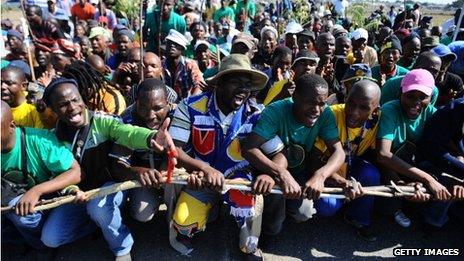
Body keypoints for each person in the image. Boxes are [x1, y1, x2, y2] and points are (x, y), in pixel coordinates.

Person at [39, 78, 176, 260]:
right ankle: (97, 223)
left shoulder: (102, 122)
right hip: (76, 196)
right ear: (53, 109)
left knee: (99, 208)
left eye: (75, 100)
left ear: (83, 98)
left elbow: (128, 133)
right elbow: (57, 175)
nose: (72, 107)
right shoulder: (52, 139)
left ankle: (122, 247)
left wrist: (150, 138)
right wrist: (71, 190)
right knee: (50, 239)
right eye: (63, 104)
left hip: (107, 187)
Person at [168, 54, 268, 259]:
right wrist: (202, 169)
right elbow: (174, 149)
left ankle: (243, 230)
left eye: (247, 84)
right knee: (184, 224)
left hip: (239, 181)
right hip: (201, 179)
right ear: (219, 83)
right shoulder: (189, 107)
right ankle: (210, 210)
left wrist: (271, 175)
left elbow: (278, 153)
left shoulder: (258, 113)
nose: (243, 89)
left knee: (249, 238)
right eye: (235, 82)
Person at [242, 73, 345, 239]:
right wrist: (280, 173)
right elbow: (249, 148)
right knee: (274, 210)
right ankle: (269, 231)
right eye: (311, 103)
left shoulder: (325, 114)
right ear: (295, 96)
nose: (317, 110)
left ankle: (284, 210)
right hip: (270, 172)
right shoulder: (275, 111)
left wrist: (320, 175)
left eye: (322, 104)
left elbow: (339, 152)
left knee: (303, 213)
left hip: (298, 173)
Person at [1, 100, 81, 251]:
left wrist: (36, 190)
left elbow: (75, 172)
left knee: (23, 216)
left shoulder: (39, 141)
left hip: (47, 198)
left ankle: (41, 245)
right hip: (9, 195)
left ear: (12, 126)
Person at [376, 69, 449, 228]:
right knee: (385, 207)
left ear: (431, 97)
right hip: (388, 168)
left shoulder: (433, 114)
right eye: (410, 96)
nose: (416, 102)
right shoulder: (390, 110)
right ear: (400, 93)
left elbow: (443, 149)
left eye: (423, 97)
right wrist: (424, 179)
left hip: (414, 165)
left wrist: (426, 180)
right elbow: (382, 155)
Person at [311, 80, 382, 241]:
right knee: (327, 207)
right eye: (351, 103)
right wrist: (342, 182)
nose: (354, 112)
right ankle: (346, 200)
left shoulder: (378, 120)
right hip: (327, 168)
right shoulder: (330, 115)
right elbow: (313, 161)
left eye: (363, 108)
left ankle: (358, 217)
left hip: (351, 164)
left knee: (371, 174)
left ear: (375, 111)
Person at [111, 78, 173, 223]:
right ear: (136, 103)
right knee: (141, 213)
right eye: (143, 108)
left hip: (172, 175)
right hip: (144, 180)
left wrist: (167, 159)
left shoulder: (178, 115)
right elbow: (116, 164)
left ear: (168, 104)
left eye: (157, 108)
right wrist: (137, 171)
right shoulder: (126, 120)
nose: (150, 116)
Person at [418, 98, 464, 230]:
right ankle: (432, 220)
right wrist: (460, 166)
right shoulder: (448, 113)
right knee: (450, 180)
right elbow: (433, 151)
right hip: (431, 160)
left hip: (456, 157)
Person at [162, 29, 204, 100]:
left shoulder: (190, 64)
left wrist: (190, 102)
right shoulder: (161, 65)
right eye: (169, 43)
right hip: (165, 103)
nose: (172, 46)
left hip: (185, 104)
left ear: (182, 48)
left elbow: (199, 84)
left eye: (176, 44)